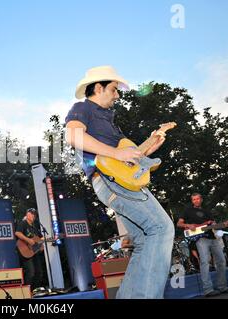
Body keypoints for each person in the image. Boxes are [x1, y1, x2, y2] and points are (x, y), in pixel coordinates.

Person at [65, 65, 175, 298]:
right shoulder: (83, 107)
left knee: (146, 240)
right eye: (114, 89)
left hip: (118, 180)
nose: (117, 95)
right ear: (98, 87)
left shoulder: (110, 120)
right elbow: (73, 136)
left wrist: (149, 146)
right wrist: (117, 154)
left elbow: (128, 157)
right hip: (109, 180)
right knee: (162, 228)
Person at [177, 193, 228, 297]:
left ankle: (222, 287)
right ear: (192, 201)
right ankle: (208, 290)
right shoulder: (188, 211)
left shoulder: (207, 211)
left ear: (201, 199)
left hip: (213, 238)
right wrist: (188, 225)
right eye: (194, 199)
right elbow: (179, 224)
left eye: (198, 199)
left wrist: (224, 225)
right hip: (201, 239)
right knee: (205, 262)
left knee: (221, 261)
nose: (196, 201)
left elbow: (213, 225)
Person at [15, 208, 45, 291]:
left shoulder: (34, 227)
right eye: (31, 213)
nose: (33, 215)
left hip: (34, 252)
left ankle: (35, 291)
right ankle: (26, 292)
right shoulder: (23, 223)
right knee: (31, 272)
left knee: (39, 272)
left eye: (34, 214)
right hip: (25, 251)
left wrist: (41, 244)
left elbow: (40, 238)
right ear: (27, 214)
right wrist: (28, 240)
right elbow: (17, 233)